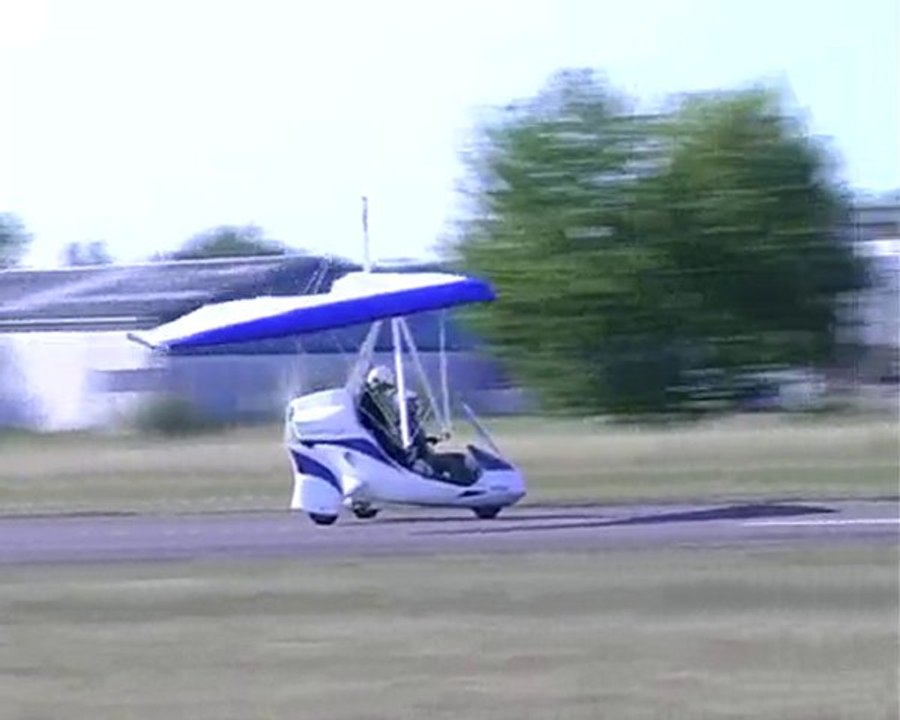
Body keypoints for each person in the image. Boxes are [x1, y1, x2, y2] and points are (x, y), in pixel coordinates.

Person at [358, 365, 433, 472]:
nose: (384, 393)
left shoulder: (374, 404)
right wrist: (403, 453)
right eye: (384, 388)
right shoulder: (369, 405)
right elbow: (383, 435)